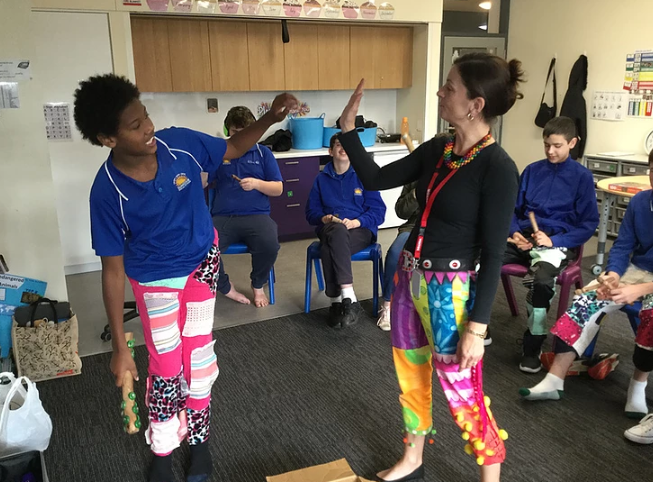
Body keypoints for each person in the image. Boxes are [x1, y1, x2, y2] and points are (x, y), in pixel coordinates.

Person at [74, 74, 296, 482]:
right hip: (154, 278)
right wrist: (120, 346)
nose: (149, 127)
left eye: (146, 116)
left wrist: (270, 118)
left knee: (198, 359)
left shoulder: (181, 144)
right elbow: (112, 270)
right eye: (135, 125)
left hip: (201, 264)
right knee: (165, 365)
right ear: (108, 138)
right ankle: (162, 447)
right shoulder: (107, 191)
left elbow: (232, 148)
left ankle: (199, 438)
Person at [337, 52, 523, 482]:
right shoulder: (440, 148)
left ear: (475, 104)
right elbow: (375, 179)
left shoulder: (498, 167)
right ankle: (413, 459)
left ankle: (490, 476)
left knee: (462, 390)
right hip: (408, 279)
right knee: (411, 376)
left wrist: (477, 329)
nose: (440, 92)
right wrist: (348, 130)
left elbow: (494, 253)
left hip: (450, 291)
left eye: (449, 87)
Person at [520, 150, 653, 432]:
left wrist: (640, 289)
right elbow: (623, 245)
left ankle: (637, 385)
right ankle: (554, 380)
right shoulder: (641, 202)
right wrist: (613, 275)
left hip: (648, 282)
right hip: (637, 270)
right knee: (586, 299)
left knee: (650, 316)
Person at [503, 116, 598, 373]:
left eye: (557, 145)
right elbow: (512, 210)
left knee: (541, 282)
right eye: (547, 145)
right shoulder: (532, 171)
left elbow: (588, 225)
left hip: (557, 243)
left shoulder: (582, 177)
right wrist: (515, 233)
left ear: (572, 143)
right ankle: (477, 328)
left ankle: (533, 344)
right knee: (481, 259)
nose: (550, 151)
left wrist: (554, 240)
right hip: (525, 238)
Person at [305, 134, 386, 329]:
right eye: (338, 145)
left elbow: (378, 212)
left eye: (347, 146)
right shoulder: (321, 179)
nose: (343, 149)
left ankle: (335, 302)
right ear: (330, 151)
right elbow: (310, 213)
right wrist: (323, 218)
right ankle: (350, 297)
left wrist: (357, 222)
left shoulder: (364, 176)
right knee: (336, 232)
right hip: (330, 227)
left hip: (360, 230)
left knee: (329, 246)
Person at [210, 106, 283, 308]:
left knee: (270, 244)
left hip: (257, 216)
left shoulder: (263, 153)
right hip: (223, 217)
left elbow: (278, 189)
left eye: (245, 132)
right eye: (235, 132)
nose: (240, 137)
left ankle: (257, 284)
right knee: (203, 245)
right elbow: (204, 181)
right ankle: (226, 287)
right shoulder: (220, 153)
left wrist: (257, 184)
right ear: (228, 131)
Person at [377, 181, 418, 331]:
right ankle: (387, 304)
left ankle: (418, 305)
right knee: (395, 253)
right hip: (413, 227)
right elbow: (401, 212)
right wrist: (415, 194)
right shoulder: (415, 178)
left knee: (424, 258)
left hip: (440, 229)